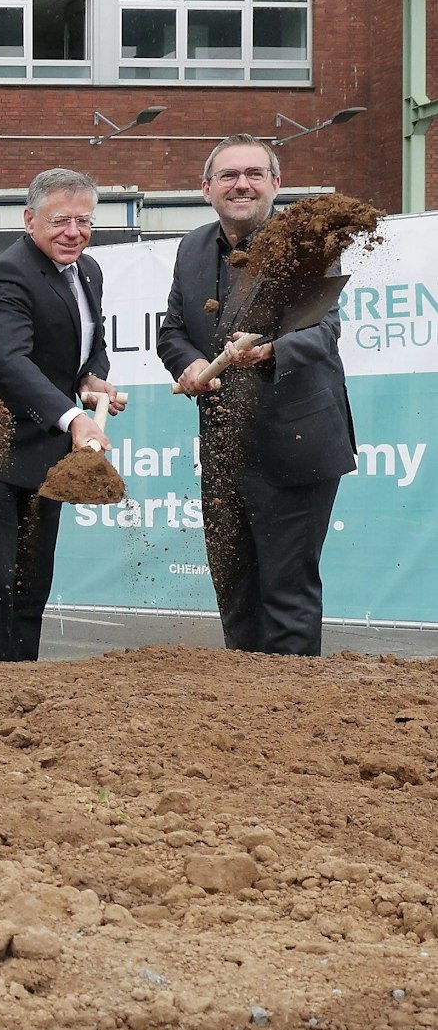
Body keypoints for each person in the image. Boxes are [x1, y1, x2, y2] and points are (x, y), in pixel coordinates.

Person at [157, 134, 355, 655]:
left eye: (254, 174)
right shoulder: (192, 248)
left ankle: (291, 700)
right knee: (235, 592)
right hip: (225, 447)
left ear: (276, 184)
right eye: (228, 175)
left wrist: (268, 352)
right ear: (207, 189)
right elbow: (172, 331)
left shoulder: (307, 243)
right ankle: (246, 701)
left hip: (296, 443)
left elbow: (324, 332)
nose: (241, 184)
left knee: (287, 595)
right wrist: (190, 363)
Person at [0, 167, 121, 662]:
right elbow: (11, 363)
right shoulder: (9, 274)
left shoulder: (88, 271)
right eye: (60, 221)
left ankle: (22, 678)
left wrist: (91, 379)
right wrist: (74, 418)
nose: (74, 232)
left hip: (42, 447)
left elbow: (92, 345)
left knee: (33, 575)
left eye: (84, 221)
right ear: (30, 220)